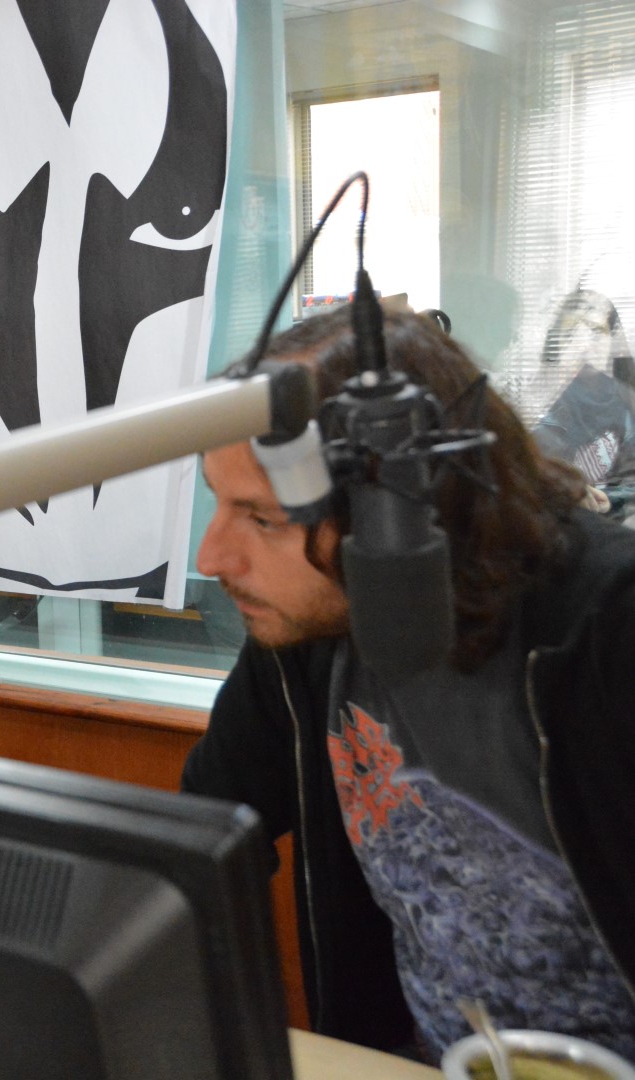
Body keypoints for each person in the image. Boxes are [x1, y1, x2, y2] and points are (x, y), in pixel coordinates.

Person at [182, 305, 635, 1061]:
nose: (212, 556)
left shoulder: (609, 628)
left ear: (400, 506)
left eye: (261, 519)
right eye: (218, 503)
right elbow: (203, 833)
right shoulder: (304, 637)